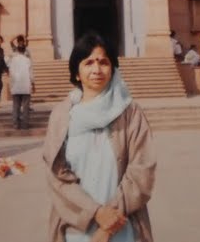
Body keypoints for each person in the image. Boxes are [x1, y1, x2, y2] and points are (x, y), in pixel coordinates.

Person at [43, 31, 156, 242]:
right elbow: (57, 176)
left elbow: (142, 173)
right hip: (75, 228)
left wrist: (107, 227)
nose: (97, 69)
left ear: (113, 69)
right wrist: (96, 212)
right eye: (88, 63)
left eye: (103, 62)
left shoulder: (130, 113)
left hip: (123, 227)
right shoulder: (61, 115)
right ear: (76, 73)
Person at [8, 38, 34, 130]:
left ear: (17, 50)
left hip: (16, 86)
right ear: (25, 51)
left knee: (16, 106)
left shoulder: (12, 60)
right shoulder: (28, 60)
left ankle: (15, 124)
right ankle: (25, 125)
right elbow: (31, 73)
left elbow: (11, 74)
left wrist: (10, 86)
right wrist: (33, 84)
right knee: (26, 107)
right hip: (26, 86)